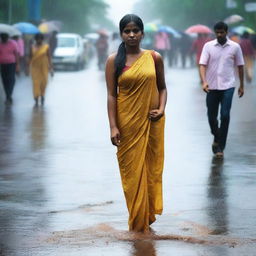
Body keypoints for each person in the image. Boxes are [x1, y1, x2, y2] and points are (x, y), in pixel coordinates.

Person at [105, 14, 167, 233]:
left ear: (142, 33)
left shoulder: (154, 57)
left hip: (151, 123)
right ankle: (137, 219)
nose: (131, 35)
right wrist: (113, 126)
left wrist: (161, 109)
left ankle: (142, 222)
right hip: (127, 125)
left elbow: (162, 87)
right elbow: (112, 95)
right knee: (131, 175)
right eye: (127, 31)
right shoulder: (114, 60)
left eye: (135, 30)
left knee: (149, 170)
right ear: (121, 34)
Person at [199, 21, 244, 158]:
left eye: (222, 32)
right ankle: (217, 135)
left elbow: (240, 66)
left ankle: (220, 147)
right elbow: (202, 64)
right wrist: (204, 81)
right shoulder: (208, 46)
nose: (219, 34)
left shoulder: (235, 47)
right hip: (211, 87)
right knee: (211, 117)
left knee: (225, 115)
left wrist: (242, 85)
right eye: (217, 32)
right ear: (215, 32)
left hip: (228, 87)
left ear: (226, 32)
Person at [29, 33, 53, 106]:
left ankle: (42, 95)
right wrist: (27, 67)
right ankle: (36, 98)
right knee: (35, 83)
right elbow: (30, 57)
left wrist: (51, 68)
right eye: (37, 39)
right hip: (35, 68)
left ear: (42, 39)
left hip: (44, 67)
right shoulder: (32, 47)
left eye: (40, 39)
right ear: (35, 39)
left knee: (44, 83)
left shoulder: (46, 47)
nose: (39, 40)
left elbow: (49, 57)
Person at [0, 33, 20, 104]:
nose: (3, 39)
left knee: (11, 79)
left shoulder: (13, 44)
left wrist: (17, 65)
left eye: (5, 38)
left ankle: (9, 95)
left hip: (11, 64)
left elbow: (16, 54)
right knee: (4, 80)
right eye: (2, 38)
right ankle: (8, 95)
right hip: (2, 65)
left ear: (8, 37)